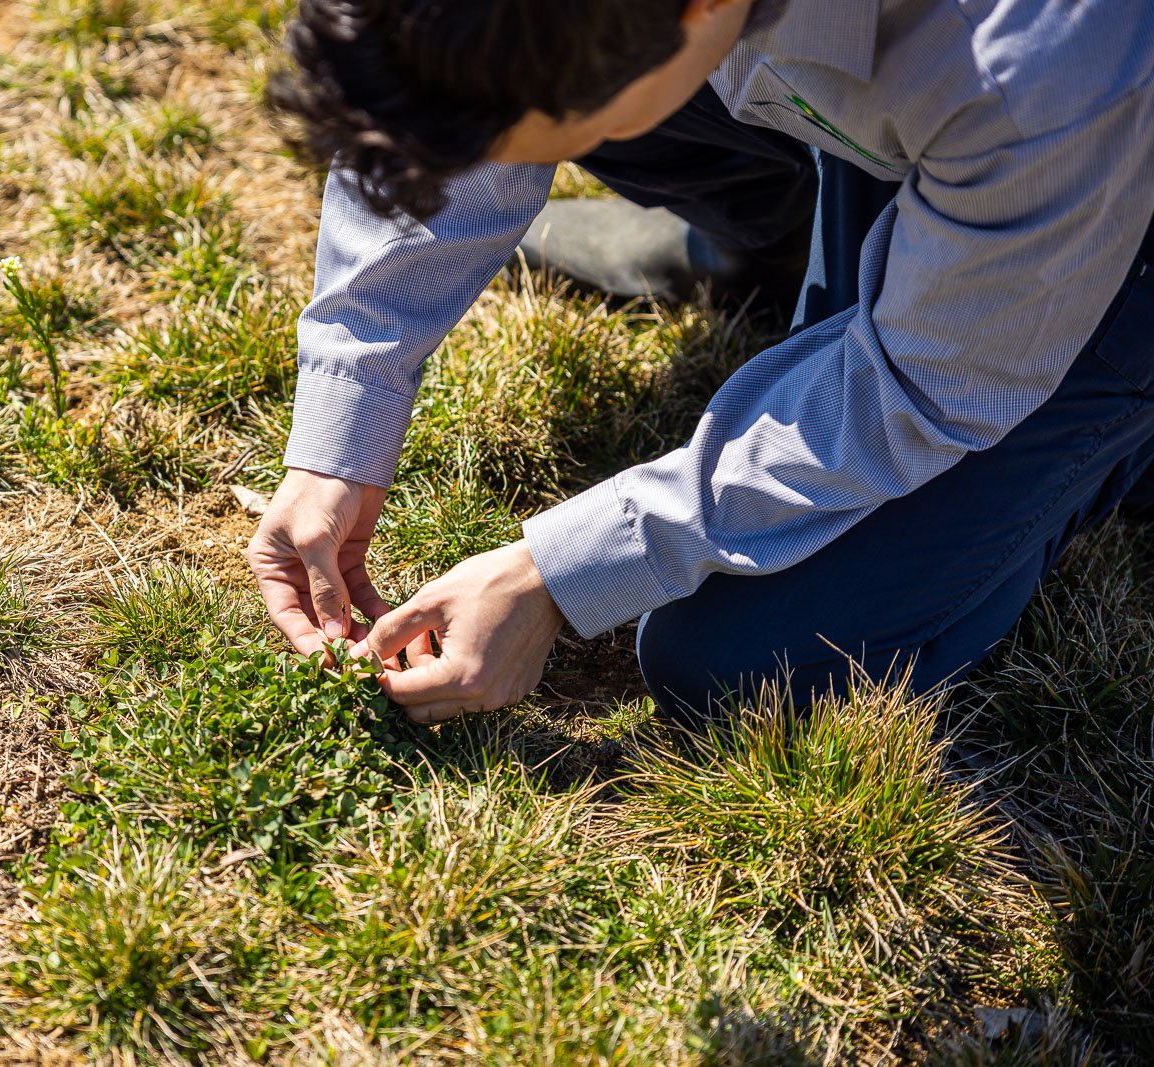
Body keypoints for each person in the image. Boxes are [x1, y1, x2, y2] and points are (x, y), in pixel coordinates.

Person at [246, 0, 1154, 725]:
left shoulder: (1033, 62)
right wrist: (346, 407)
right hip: (914, 110)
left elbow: (923, 383)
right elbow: (450, 53)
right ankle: (786, 238)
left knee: (746, 660)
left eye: (533, 150)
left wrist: (556, 575)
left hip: (1098, 207)